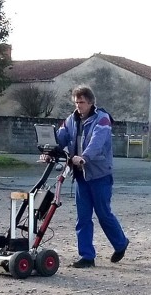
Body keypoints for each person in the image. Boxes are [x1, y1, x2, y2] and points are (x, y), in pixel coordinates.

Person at [54, 85, 129, 268]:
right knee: (83, 217)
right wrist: (50, 151)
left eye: (81, 102)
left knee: (104, 214)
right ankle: (87, 256)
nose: (78, 106)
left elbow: (97, 142)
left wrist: (84, 157)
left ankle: (120, 243)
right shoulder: (71, 120)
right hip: (81, 176)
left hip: (99, 174)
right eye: (76, 102)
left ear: (90, 102)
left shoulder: (102, 119)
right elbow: (60, 137)